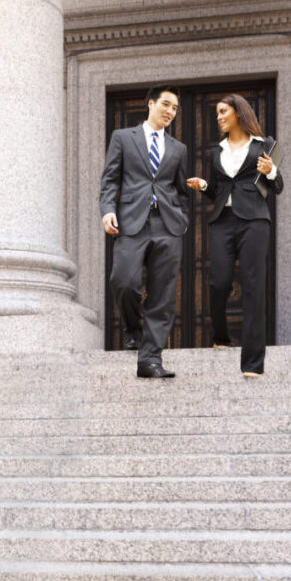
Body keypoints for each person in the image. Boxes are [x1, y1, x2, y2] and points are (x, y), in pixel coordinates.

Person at [186, 94, 282, 377]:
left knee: (253, 288)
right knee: (219, 282)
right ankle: (221, 335)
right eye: (216, 112)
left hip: (254, 221)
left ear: (238, 113)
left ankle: (252, 363)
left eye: (223, 111)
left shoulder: (263, 146)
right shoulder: (217, 151)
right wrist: (205, 186)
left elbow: (277, 186)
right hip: (222, 222)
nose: (218, 117)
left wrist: (271, 171)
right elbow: (218, 191)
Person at [101, 85, 190, 378]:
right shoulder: (123, 138)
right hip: (131, 221)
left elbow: (180, 190)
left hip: (168, 225)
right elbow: (111, 179)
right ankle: (132, 328)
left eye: (174, 108)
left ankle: (150, 359)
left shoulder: (179, 149)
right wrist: (108, 210)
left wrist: (182, 218)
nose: (169, 111)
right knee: (123, 280)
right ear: (150, 104)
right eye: (165, 104)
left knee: (162, 295)